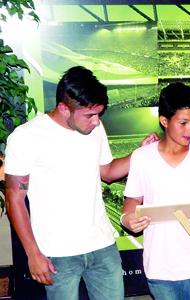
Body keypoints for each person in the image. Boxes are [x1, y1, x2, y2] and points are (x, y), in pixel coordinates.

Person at [4, 66, 133, 300]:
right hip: (57, 253)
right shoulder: (26, 137)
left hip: (102, 244)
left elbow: (108, 172)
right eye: (89, 115)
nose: (96, 122)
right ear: (64, 108)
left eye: (99, 114)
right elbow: (14, 199)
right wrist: (33, 254)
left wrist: (141, 155)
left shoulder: (95, 129)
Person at [121, 82, 190, 300]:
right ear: (164, 121)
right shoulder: (142, 157)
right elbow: (132, 201)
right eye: (184, 123)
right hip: (160, 266)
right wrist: (127, 219)